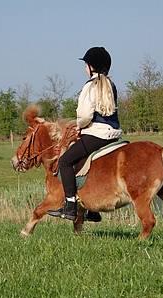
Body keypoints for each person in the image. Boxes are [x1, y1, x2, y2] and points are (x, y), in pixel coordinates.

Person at [47, 47, 122, 221]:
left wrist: (79, 125)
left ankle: (70, 205)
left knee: (65, 161)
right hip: (113, 134)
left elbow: (85, 115)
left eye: (85, 65)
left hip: (96, 134)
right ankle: (93, 210)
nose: (84, 68)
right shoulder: (111, 84)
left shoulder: (90, 86)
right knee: (92, 163)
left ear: (91, 67)